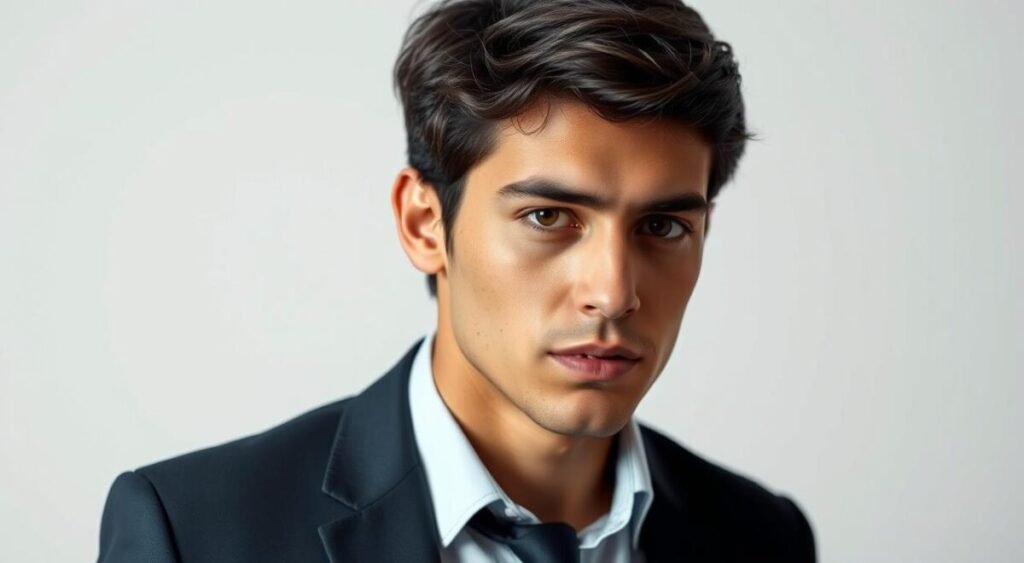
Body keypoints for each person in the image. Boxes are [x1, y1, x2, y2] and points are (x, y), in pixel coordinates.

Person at [97, 1, 817, 561]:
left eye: (662, 227)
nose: (613, 291)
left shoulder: (763, 537)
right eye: (548, 216)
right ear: (423, 223)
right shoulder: (195, 535)